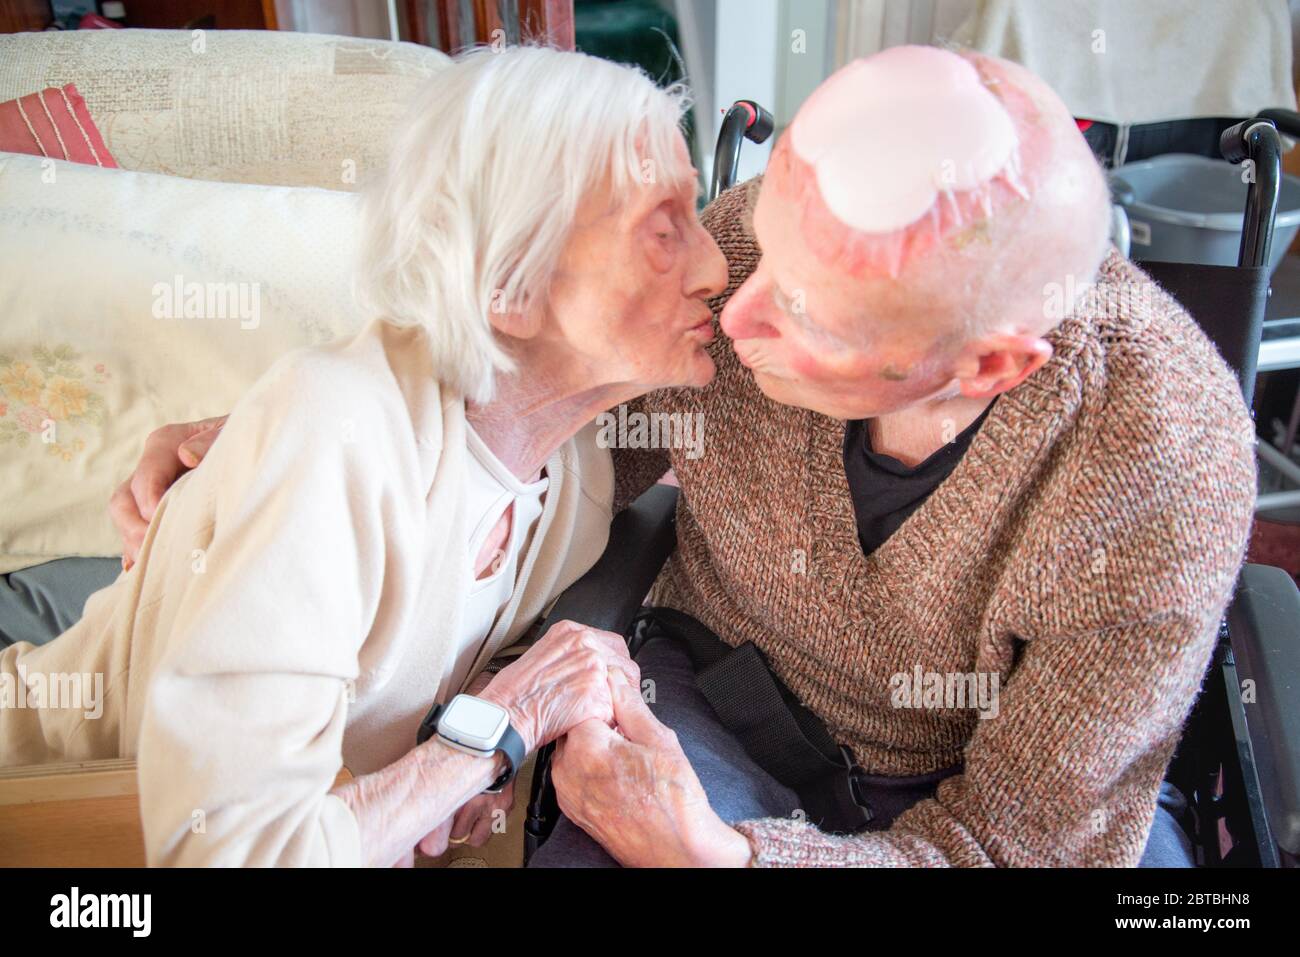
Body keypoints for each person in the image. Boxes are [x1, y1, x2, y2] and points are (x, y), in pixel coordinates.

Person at [112, 46, 1257, 867]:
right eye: (736, 237)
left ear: (988, 368)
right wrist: (267, 438)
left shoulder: (1161, 467)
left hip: (970, 802)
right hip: (704, 697)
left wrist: (730, 861)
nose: (729, 296)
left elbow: (1019, 844)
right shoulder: (791, 233)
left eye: (805, 317)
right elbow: (520, 382)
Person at [0, 45, 728, 867]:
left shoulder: (575, 485)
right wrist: (500, 727)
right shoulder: (333, 432)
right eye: (664, 231)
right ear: (509, 287)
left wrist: (457, 758)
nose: (714, 264)